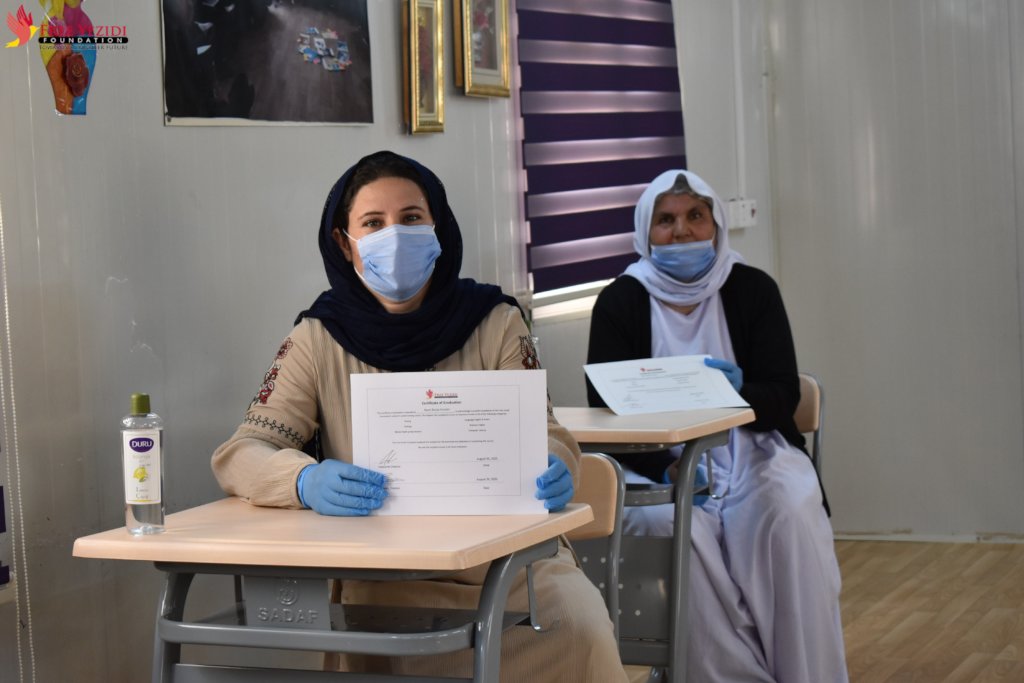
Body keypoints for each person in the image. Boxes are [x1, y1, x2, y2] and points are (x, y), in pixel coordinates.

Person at [212, 150, 628, 682]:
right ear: (345, 242)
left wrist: (554, 459)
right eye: (373, 223)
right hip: (384, 575)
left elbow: (547, 431)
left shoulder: (496, 322)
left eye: (411, 218)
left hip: (509, 567)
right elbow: (240, 454)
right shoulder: (318, 339)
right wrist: (303, 480)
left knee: (579, 626)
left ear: (438, 226)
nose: (395, 235)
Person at [586, 169, 848, 683]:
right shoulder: (620, 299)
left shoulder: (752, 289)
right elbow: (604, 407)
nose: (681, 231)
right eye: (665, 219)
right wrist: (663, 467)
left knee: (788, 513)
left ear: (715, 224)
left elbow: (784, 395)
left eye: (694, 216)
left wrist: (739, 393)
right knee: (674, 525)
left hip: (753, 447)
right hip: (656, 459)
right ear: (645, 231)